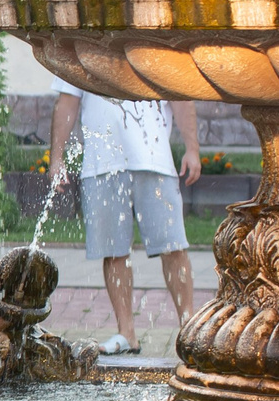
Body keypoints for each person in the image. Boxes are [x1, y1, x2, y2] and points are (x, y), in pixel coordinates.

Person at [47, 89, 201, 355]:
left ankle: (189, 329)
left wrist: (193, 149)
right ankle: (126, 333)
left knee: (173, 246)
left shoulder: (157, 45)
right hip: (101, 163)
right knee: (114, 251)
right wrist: (56, 158)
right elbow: (67, 101)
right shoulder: (83, 46)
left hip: (154, 160)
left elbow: (180, 95)